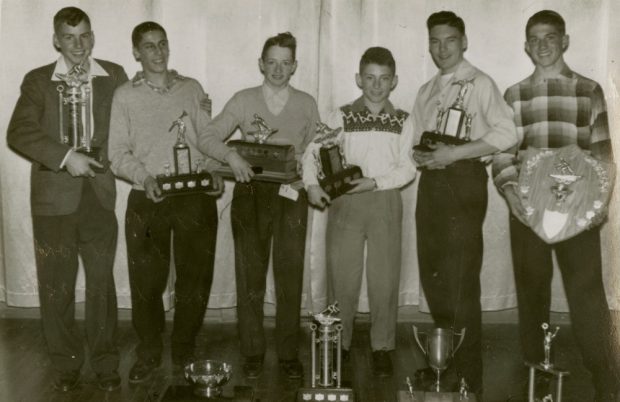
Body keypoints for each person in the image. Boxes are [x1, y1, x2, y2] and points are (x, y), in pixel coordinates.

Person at [492, 10, 619, 401]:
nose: (542, 44)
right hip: (528, 210)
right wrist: (511, 194)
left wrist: (597, 206)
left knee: (588, 296)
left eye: (550, 37)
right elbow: (502, 155)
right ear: (526, 46)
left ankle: (606, 379)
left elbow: (602, 156)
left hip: (578, 210)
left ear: (564, 41)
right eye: (534, 38)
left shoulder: (588, 90)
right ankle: (537, 378)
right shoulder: (513, 95)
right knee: (532, 294)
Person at [6, 7, 127, 392]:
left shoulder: (114, 76)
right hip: (53, 200)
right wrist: (64, 157)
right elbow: (19, 132)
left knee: (101, 286)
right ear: (56, 39)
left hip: (99, 195)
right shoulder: (38, 81)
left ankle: (107, 364)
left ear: (93, 37)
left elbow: (134, 118)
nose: (79, 45)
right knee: (56, 286)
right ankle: (66, 366)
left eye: (85, 36)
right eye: (70, 37)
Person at [195, 32, 320, 379]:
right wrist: (230, 156)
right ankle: (251, 351)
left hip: (291, 196)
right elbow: (207, 136)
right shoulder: (243, 100)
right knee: (249, 275)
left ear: (294, 66)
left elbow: (315, 151)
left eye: (285, 63)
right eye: (271, 62)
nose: (278, 69)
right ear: (260, 63)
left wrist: (308, 177)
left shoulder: (307, 103)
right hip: (250, 195)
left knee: (290, 275)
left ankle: (288, 353)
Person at [108, 21, 223, 383]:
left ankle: (185, 348)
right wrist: (144, 177)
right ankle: (149, 351)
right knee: (147, 282)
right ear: (136, 53)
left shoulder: (191, 89)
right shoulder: (124, 96)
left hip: (193, 198)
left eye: (162, 44)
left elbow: (206, 135)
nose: (157, 52)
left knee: (195, 278)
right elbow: (116, 152)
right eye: (149, 46)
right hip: (148, 197)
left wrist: (214, 168)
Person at [411, 11, 518, 398]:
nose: (442, 48)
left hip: (463, 184)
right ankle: (445, 366)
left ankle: (470, 378)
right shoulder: (425, 90)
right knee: (434, 278)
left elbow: (506, 133)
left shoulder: (480, 83)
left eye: (450, 40)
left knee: (460, 284)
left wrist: (453, 155)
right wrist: (423, 156)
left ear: (464, 41)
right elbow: (421, 141)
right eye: (435, 41)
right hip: (432, 186)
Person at [302, 47, 416, 377]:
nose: (376, 86)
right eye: (369, 78)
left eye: (383, 79)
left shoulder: (403, 120)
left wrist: (375, 182)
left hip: (384, 200)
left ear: (394, 81)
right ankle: (340, 342)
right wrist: (312, 185)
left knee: (385, 277)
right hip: (347, 204)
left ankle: (383, 345)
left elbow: (407, 167)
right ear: (358, 79)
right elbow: (312, 152)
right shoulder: (340, 116)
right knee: (343, 276)